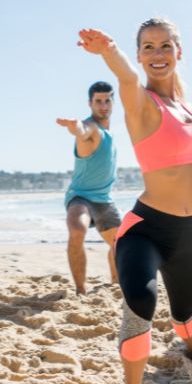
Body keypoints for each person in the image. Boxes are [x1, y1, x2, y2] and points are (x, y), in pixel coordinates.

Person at [77, 19, 192, 384]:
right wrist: (110, 50)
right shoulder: (142, 102)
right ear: (140, 55)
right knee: (141, 303)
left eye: (165, 46)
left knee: (186, 305)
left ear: (179, 51)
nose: (157, 54)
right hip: (146, 229)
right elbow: (125, 78)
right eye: (148, 48)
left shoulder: (188, 107)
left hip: (189, 228)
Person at [55, 81, 121, 295]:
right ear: (90, 104)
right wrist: (75, 128)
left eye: (107, 101)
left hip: (104, 199)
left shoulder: (109, 132)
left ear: (112, 103)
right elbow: (83, 132)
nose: (103, 105)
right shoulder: (91, 128)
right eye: (98, 101)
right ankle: (81, 289)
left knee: (121, 244)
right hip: (80, 197)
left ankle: (116, 283)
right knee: (77, 230)